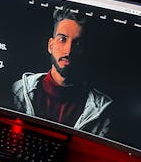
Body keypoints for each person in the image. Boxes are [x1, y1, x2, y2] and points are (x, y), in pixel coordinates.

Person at [11, 7, 112, 136]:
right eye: (62, 39)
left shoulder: (103, 109)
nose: (68, 51)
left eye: (77, 44)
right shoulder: (17, 90)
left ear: (84, 51)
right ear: (50, 45)